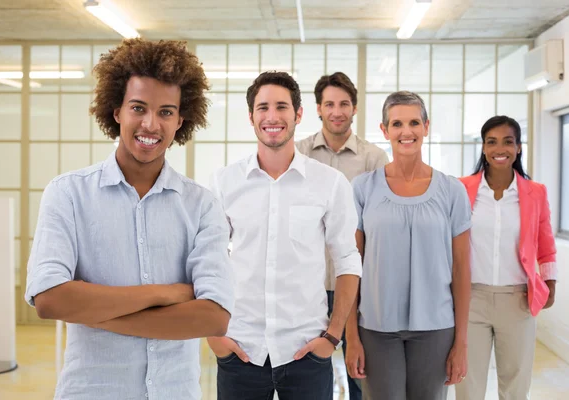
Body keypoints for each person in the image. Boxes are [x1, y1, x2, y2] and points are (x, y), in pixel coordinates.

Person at [24, 38, 234, 400]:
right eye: (139, 107)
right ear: (116, 111)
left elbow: (213, 317)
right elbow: (49, 298)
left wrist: (97, 314)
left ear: (181, 120)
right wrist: (165, 293)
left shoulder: (202, 205)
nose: (151, 124)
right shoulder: (68, 194)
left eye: (166, 112)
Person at [207, 71, 362, 400]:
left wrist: (332, 337)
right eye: (263, 108)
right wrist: (214, 337)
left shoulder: (330, 183)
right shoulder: (225, 182)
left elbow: (348, 260)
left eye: (282, 107)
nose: (272, 117)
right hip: (241, 349)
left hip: (307, 349)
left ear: (299, 114)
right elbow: (208, 260)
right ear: (251, 117)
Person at [345, 91, 471, 400]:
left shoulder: (452, 191)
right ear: (384, 130)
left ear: (426, 127)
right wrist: (352, 336)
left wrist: (461, 343)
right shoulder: (362, 189)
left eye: (414, 122)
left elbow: (462, 268)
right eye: (397, 123)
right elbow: (349, 264)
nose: (406, 131)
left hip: (436, 328)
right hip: (375, 328)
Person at [296, 71, 388, 400]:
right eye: (330, 104)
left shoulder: (374, 159)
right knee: (307, 373)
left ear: (355, 109)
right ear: (318, 109)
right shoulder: (299, 154)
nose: (337, 111)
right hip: (309, 285)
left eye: (344, 104)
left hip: (358, 285)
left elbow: (378, 225)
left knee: (362, 374)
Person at [455, 116, 558, 400]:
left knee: (515, 387)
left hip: (518, 300)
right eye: (492, 142)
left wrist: (550, 282)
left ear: (519, 147)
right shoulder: (461, 189)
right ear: (484, 148)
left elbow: (546, 243)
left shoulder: (535, 193)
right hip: (470, 299)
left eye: (508, 141)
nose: (500, 148)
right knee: (467, 385)